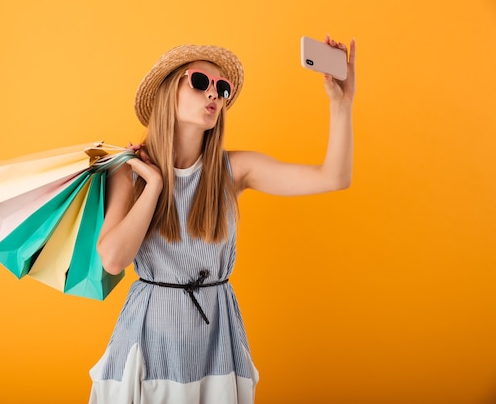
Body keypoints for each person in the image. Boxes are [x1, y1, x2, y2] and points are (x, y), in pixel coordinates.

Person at [89, 36, 356, 403]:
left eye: (222, 88)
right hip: (149, 336)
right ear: (170, 90)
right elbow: (114, 259)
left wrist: (342, 105)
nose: (213, 94)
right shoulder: (131, 172)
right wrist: (154, 186)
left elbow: (333, 178)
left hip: (216, 337)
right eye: (200, 82)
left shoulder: (234, 170)